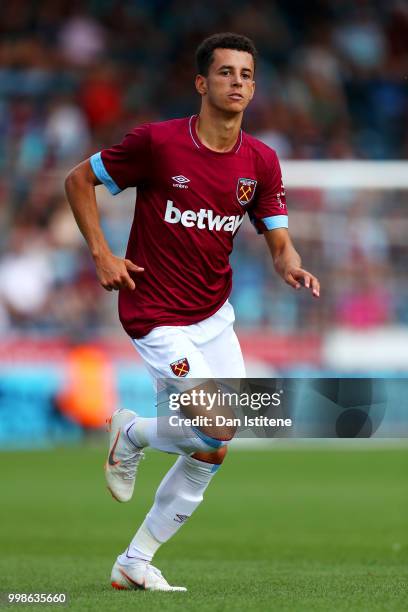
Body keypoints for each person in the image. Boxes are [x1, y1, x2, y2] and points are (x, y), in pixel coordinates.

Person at [65, 32, 320, 593]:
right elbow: (78, 179)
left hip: (214, 315)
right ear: (202, 83)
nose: (238, 82)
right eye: (226, 72)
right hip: (155, 312)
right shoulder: (157, 144)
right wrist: (103, 253)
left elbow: (279, 238)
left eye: (247, 74)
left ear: (254, 87)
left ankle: (135, 560)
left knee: (212, 446)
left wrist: (289, 264)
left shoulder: (262, 162)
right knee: (222, 420)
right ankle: (129, 433)